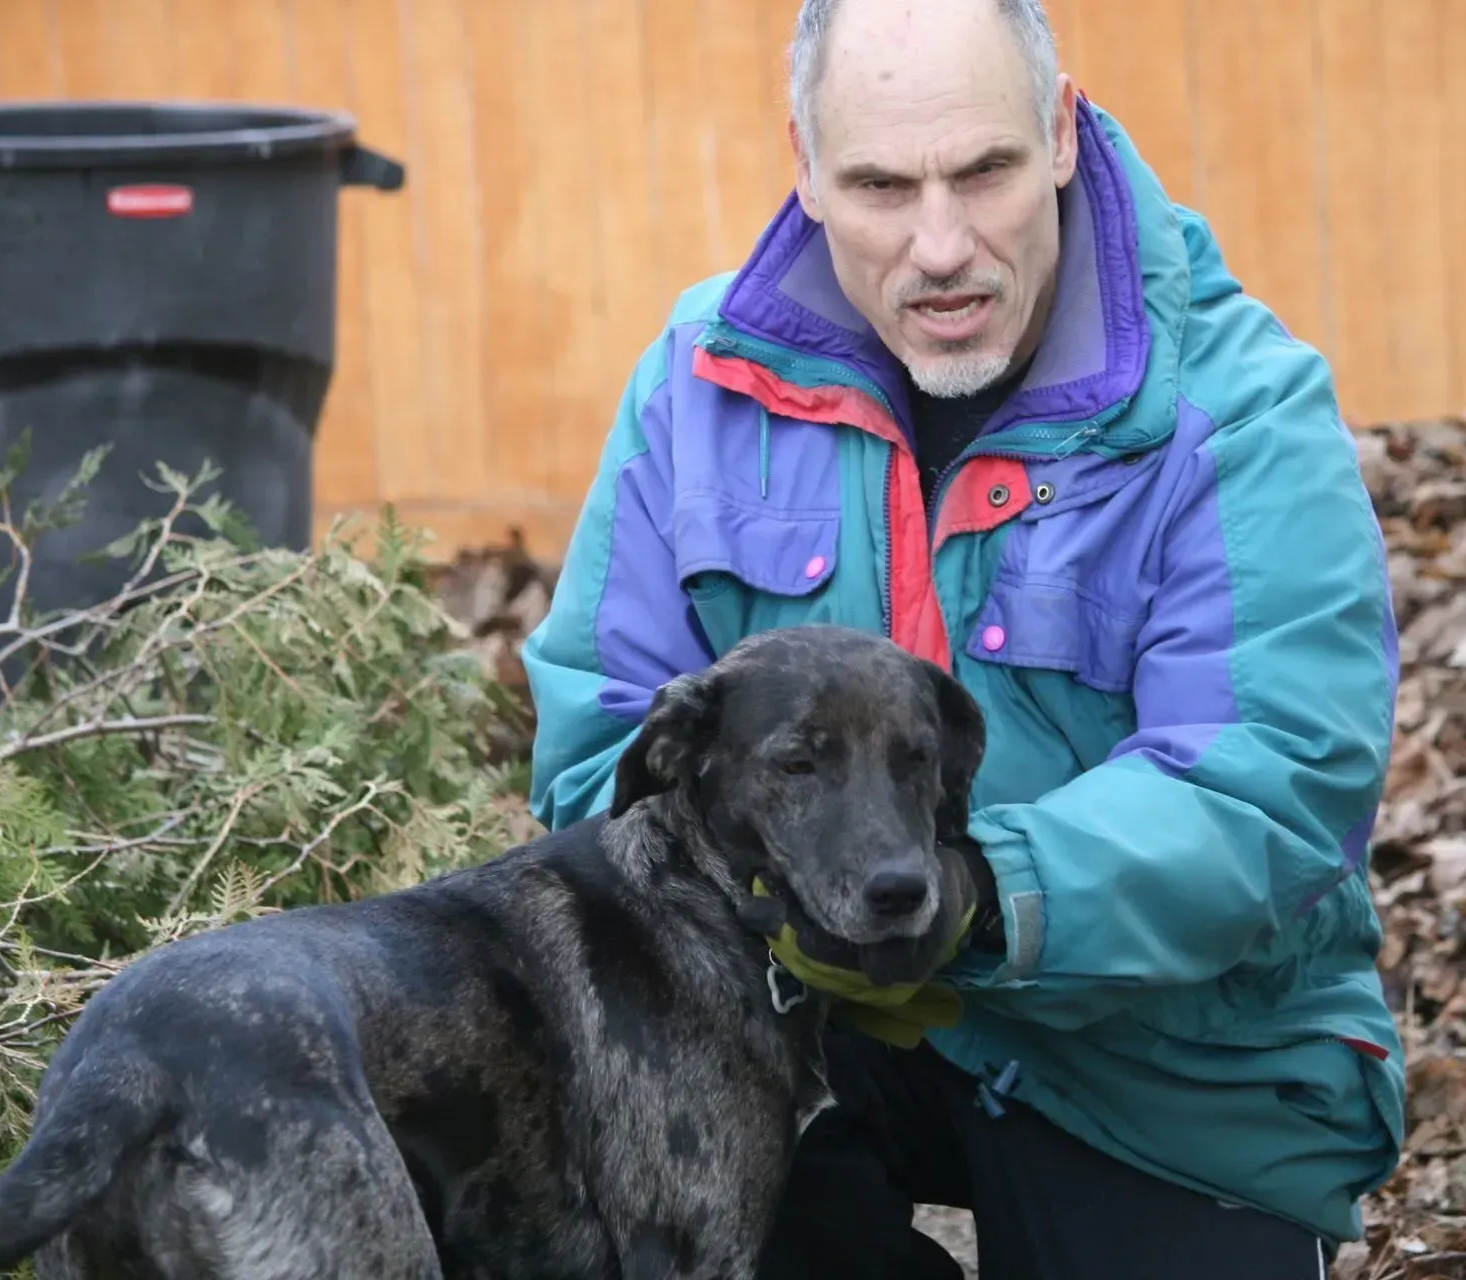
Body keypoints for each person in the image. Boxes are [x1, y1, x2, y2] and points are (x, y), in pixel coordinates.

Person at [521, 0, 1405, 1274]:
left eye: (982, 171)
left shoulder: (1239, 409)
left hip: (1160, 1058)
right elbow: (601, 743)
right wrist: (771, 891)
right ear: (806, 170)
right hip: (792, 1019)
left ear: (1058, 130)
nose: (940, 245)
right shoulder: (699, 380)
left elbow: (1267, 786)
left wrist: (980, 892)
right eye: (880, 184)